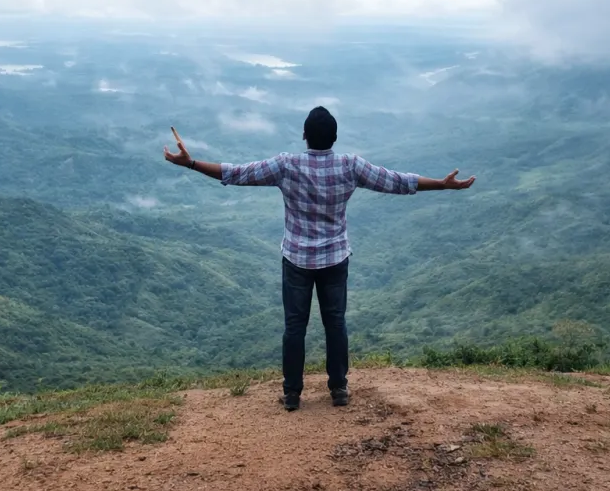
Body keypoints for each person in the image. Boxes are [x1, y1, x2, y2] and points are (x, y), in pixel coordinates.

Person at [163, 106, 475, 411]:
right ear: (335, 137)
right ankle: (338, 388)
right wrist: (442, 185)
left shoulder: (287, 165)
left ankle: (292, 394)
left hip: (297, 258)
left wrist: (191, 164)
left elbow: (236, 173)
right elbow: (396, 181)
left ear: (304, 136)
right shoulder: (350, 166)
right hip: (335, 258)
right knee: (335, 323)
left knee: (294, 327)